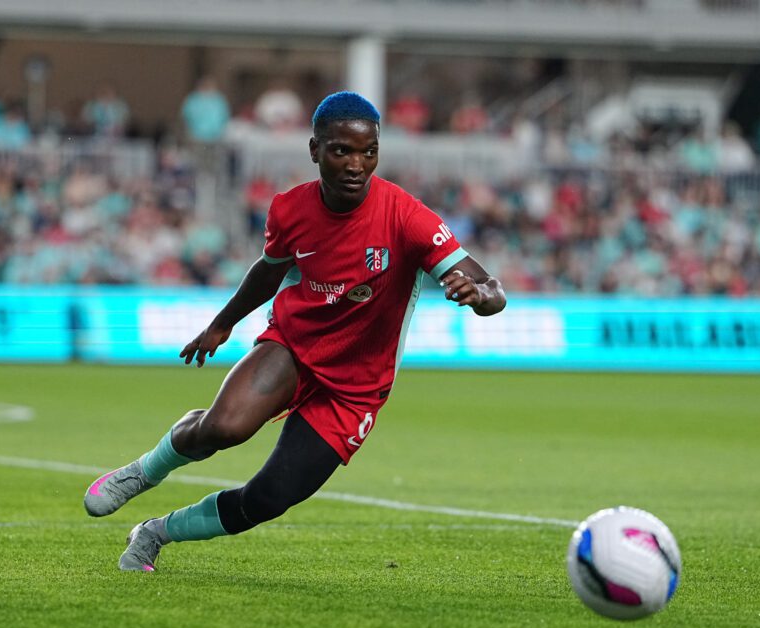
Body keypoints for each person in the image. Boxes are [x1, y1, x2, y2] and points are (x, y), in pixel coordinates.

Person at [83, 91, 507, 571]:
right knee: (224, 427)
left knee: (266, 499)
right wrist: (221, 325)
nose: (355, 164)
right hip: (293, 345)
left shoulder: (406, 216)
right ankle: (143, 471)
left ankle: (154, 533)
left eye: (368, 152)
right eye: (340, 151)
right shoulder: (290, 209)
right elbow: (268, 271)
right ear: (314, 150)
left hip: (355, 389)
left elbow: (490, 285)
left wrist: (480, 297)